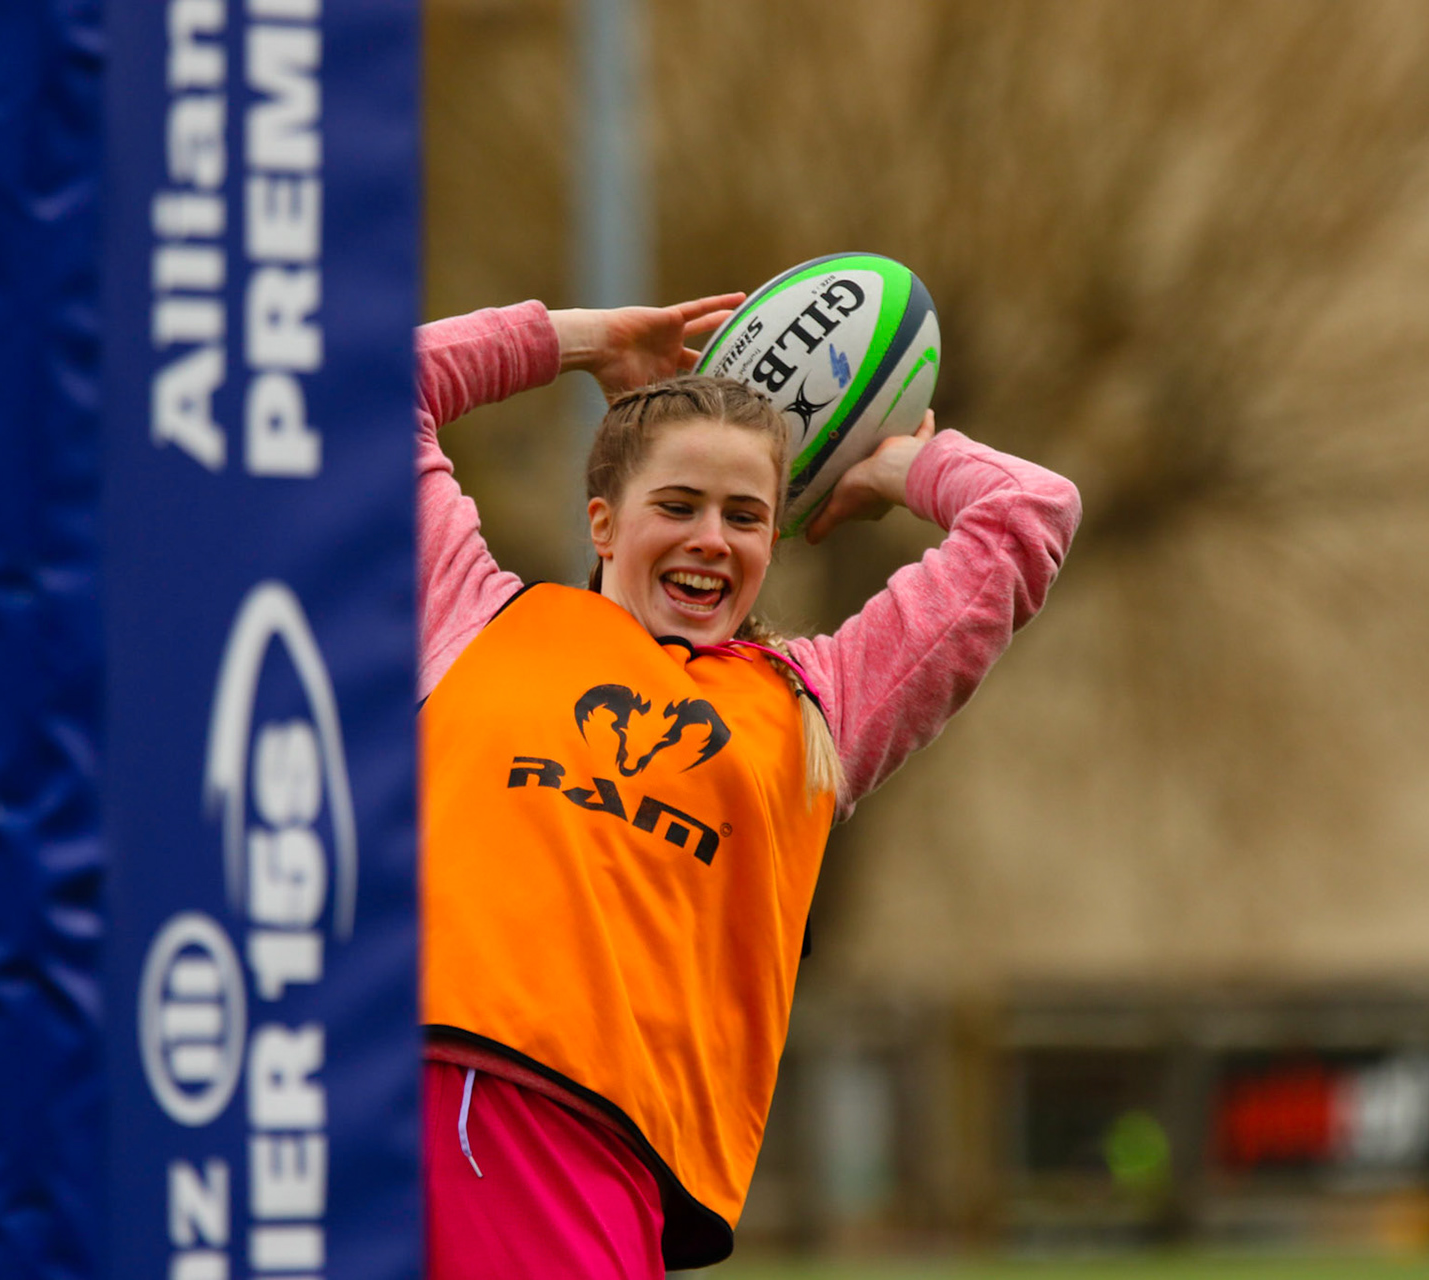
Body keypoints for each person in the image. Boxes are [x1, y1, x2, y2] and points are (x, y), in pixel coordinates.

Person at [416, 293, 1081, 1278]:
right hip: (416, 1078)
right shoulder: (475, 618)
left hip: (595, 1151)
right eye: (677, 505)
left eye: (746, 516)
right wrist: (584, 339)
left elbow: (1029, 511)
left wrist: (891, 465)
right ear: (603, 521)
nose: (711, 539)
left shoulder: (820, 704)